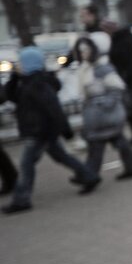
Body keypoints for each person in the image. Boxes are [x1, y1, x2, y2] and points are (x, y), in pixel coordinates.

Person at [1, 46, 99, 214]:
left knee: (26, 165)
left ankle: (21, 199)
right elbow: (11, 97)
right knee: (61, 156)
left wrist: (66, 131)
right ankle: (89, 176)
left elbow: (54, 109)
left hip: (39, 131)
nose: (19, 65)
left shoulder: (38, 84)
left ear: (29, 64)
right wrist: (14, 77)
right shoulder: (28, 82)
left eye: (21, 63)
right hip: (40, 130)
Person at [74, 32, 132, 191]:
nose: (83, 54)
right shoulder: (88, 69)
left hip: (104, 116)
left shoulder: (102, 69)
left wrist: (102, 104)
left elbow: (117, 88)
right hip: (100, 117)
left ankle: (89, 177)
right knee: (119, 142)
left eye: (86, 50)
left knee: (96, 148)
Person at [101, 19, 132, 144]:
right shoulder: (114, 40)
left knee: (129, 106)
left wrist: (126, 77)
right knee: (126, 106)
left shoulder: (123, 40)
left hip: (127, 78)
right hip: (120, 77)